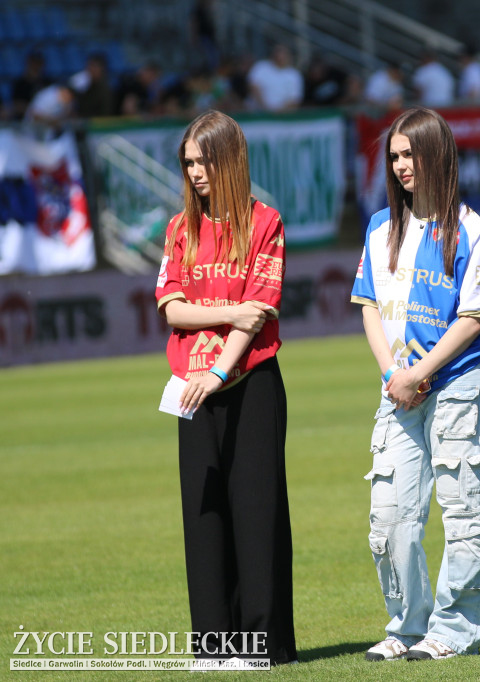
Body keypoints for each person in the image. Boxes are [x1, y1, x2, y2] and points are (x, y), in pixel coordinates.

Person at [350, 107, 480, 662]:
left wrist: (420, 371)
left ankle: (454, 631)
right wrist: (394, 374)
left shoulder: (469, 228)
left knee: (464, 513)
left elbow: (474, 316)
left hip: (457, 385)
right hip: (397, 392)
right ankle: (407, 627)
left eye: (410, 154)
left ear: (437, 154)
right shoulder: (379, 227)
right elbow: (367, 306)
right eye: (394, 156)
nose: (401, 165)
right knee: (390, 517)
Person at [154, 110, 297, 666]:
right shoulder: (178, 229)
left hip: (252, 383)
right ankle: (213, 644)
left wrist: (218, 372)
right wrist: (234, 310)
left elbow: (258, 322)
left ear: (230, 159)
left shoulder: (266, 223)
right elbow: (172, 309)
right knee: (204, 515)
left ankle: (262, 644)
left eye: (204, 161)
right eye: (188, 163)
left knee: (256, 513)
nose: (195, 173)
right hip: (191, 391)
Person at [247, 44, 303, 113]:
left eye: (283, 53)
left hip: (281, 117)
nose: (280, 57)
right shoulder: (261, 67)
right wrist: (264, 108)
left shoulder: (294, 75)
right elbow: (253, 87)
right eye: (278, 52)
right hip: (257, 114)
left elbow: (295, 99)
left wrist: (277, 112)